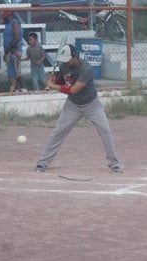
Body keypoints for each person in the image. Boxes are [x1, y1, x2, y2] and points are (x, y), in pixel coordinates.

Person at [34, 44, 122, 173]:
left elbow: (74, 89)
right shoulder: (64, 66)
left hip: (91, 104)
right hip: (73, 105)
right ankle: (43, 162)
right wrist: (54, 80)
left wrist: (53, 86)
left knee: (105, 131)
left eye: (69, 59)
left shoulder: (86, 68)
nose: (67, 63)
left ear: (75, 56)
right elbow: (63, 81)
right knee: (58, 132)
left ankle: (114, 163)